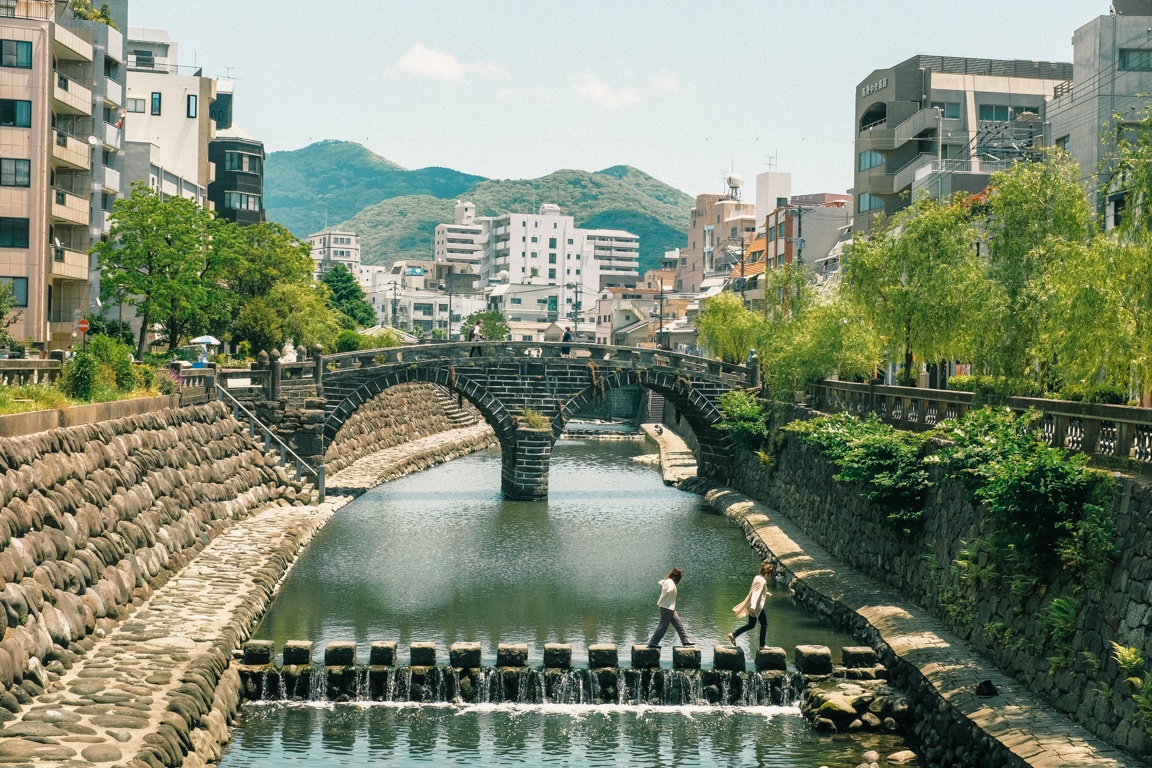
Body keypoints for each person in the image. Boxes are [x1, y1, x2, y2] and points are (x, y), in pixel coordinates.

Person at [728, 562, 774, 649]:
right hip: (756, 607)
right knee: (764, 625)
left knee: (751, 625)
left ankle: (734, 634)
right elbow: (756, 593)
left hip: (751, 605)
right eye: (770, 574)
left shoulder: (757, 577)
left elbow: (755, 590)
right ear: (767, 573)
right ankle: (762, 645)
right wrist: (753, 605)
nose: (770, 576)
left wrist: (766, 593)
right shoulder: (763, 581)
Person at [647, 567, 694, 648]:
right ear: (677, 576)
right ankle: (653, 643)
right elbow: (669, 587)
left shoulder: (669, 581)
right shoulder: (670, 582)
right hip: (666, 608)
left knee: (679, 624)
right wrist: (669, 589)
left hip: (671, 608)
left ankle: (685, 640)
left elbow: (663, 582)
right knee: (663, 626)